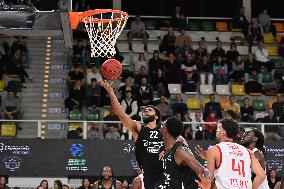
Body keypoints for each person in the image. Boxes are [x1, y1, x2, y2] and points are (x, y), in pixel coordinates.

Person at [100, 80, 164, 189]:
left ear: (156, 116)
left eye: (149, 110)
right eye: (144, 110)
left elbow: (180, 142)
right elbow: (121, 114)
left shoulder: (164, 130)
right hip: (148, 176)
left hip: (165, 174)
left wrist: (166, 150)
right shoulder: (138, 128)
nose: (145, 111)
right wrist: (111, 92)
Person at [195, 119, 266, 189]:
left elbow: (209, 179)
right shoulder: (247, 151)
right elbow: (261, 175)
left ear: (223, 132)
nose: (216, 130)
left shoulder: (213, 150)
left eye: (219, 128)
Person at [157, 118, 211, 189]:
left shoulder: (180, 151)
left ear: (165, 129)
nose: (160, 127)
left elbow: (203, 171)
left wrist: (206, 181)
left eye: (162, 125)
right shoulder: (165, 149)